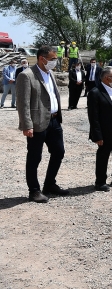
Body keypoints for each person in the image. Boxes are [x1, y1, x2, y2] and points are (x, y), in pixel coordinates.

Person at [16, 45, 69, 203]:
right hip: (37, 123)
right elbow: (22, 103)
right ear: (42, 58)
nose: (55, 62)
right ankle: (34, 190)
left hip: (54, 120)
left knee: (59, 152)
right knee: (34, 158)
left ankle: (49, 184)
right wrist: (27, 125)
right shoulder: (26, 75)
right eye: (53, 59)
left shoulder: (50, 73)